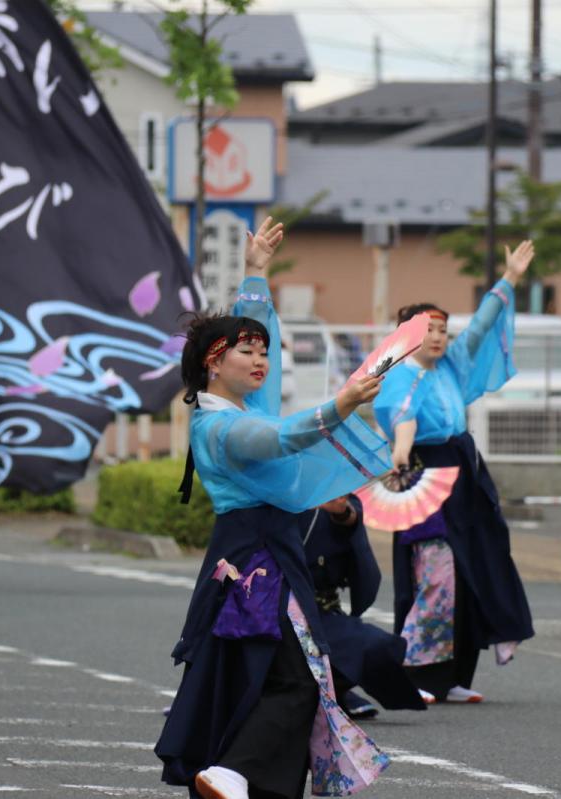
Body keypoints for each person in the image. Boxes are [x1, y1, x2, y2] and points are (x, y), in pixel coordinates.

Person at [155, 218, 394, 799]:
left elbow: (267, 370)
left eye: (264, 351)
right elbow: (282, 439)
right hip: (257, 563)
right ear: (214, 363)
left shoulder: (241, 406)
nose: (262, 360)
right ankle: (231, 772)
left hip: (259, 557)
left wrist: (255, 275)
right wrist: (341, 405)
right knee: (297, 676)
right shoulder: (221, 427)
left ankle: (234, 776)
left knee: (261, 676)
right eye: (248, 351)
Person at [373, 242, 536, 705]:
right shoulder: (399, 376)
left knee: (477, 566)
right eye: (428, 330)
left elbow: (482, 326)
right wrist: (400, 452)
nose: (438, 337)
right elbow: (402, 419)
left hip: (464, 472)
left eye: (443, 330)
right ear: (407, 336)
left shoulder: (450, 366)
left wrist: (510, 278)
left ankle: (456, 675)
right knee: (435, 573)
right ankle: (416, 672)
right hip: (424, 475)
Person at [300, 493, 427, 718]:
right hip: (277, 611)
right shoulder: (272, 489)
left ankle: (332, 691)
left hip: (323, 612)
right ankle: (314, 694)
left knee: (376, 646)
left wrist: (342, 513)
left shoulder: (331, 490)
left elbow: (349, 521)